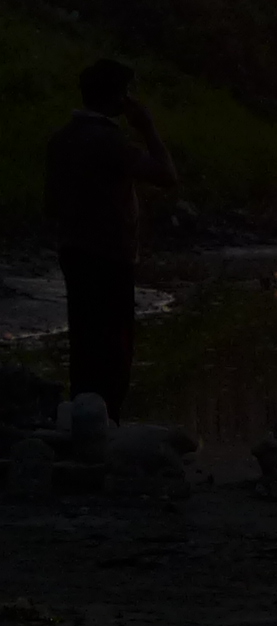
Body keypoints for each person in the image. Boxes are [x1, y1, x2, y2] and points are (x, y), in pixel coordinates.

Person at [44, 58, 177, 418]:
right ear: (119, 99)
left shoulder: (62, 139)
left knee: (84, 342)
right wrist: (148, 127)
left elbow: (51, 202)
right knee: (115, 349)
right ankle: (107, 421)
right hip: (109, 255)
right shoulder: (109, 142)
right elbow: (166, 174)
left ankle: (83, 419)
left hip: (73, 250)